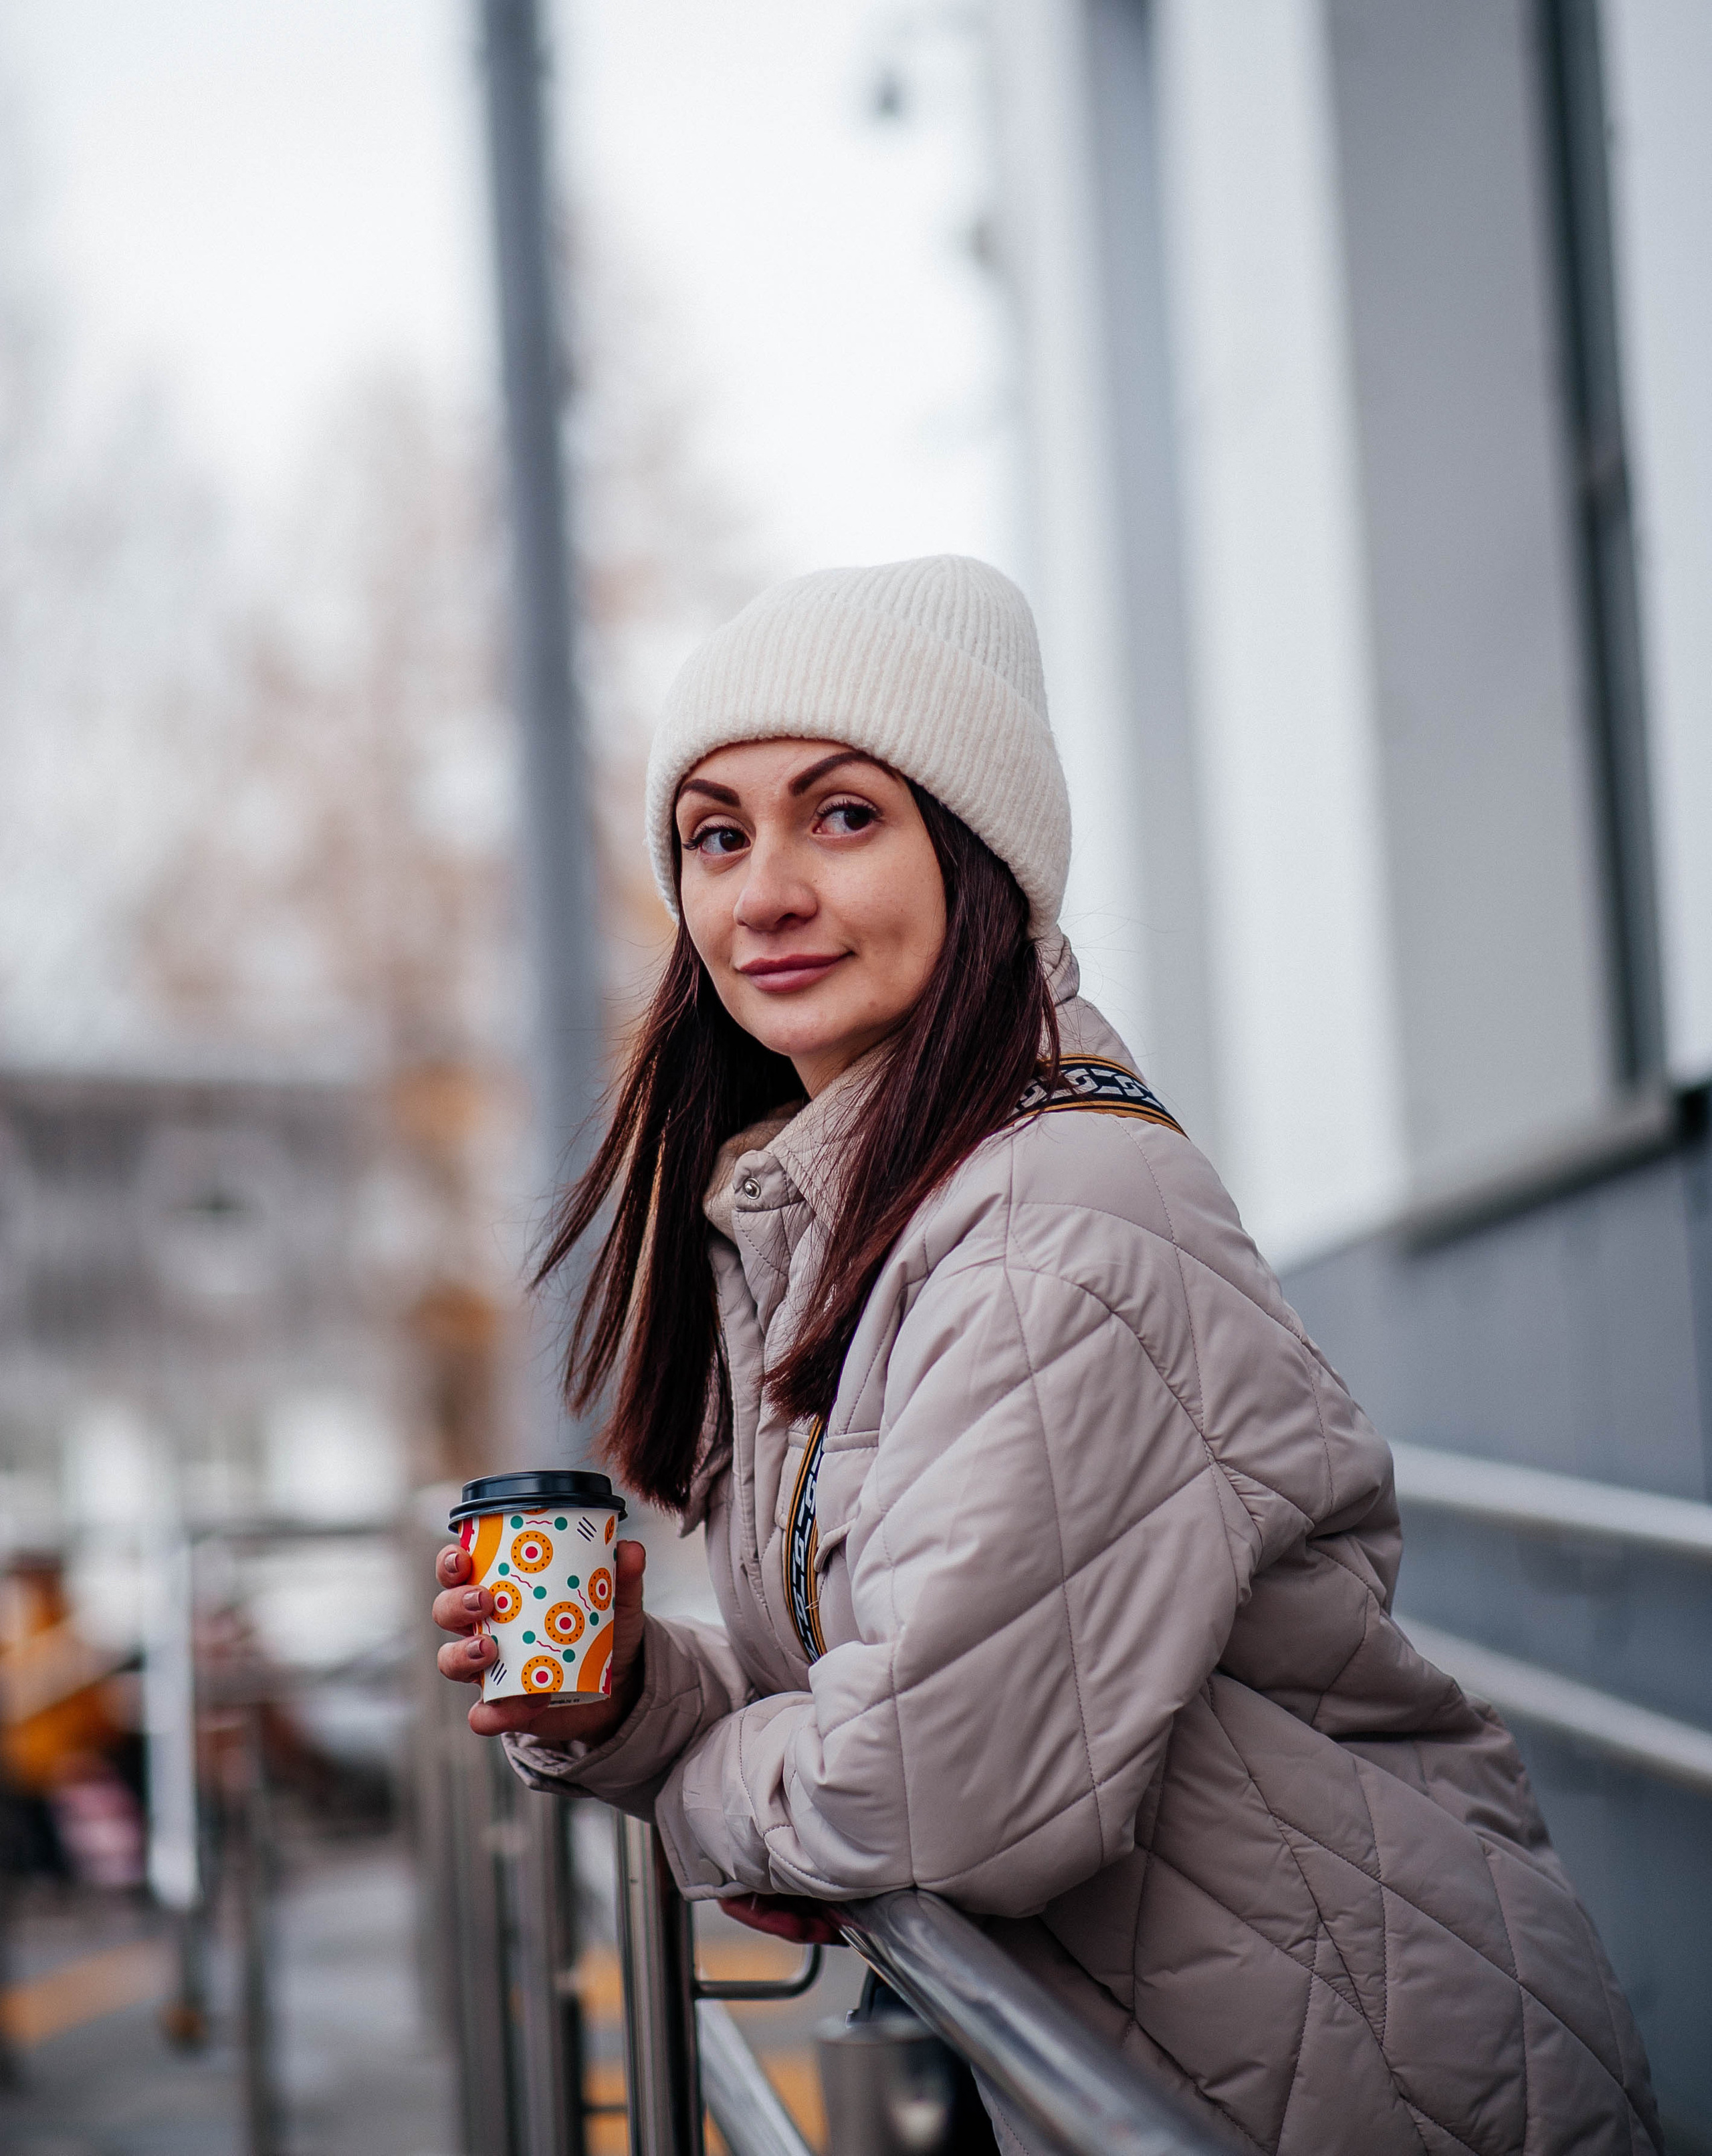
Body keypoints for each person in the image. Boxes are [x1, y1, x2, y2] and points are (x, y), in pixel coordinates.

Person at [433, 556, 1658, 2155]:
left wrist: (695, 1801)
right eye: (716, 836)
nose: (763, 892)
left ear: (979, 853)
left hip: (1368, 2087)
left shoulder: (1050, 1225)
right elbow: (889, 1673)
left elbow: (939, 1791)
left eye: (844, 816)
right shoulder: (844, 1213)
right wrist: (624, 1700)